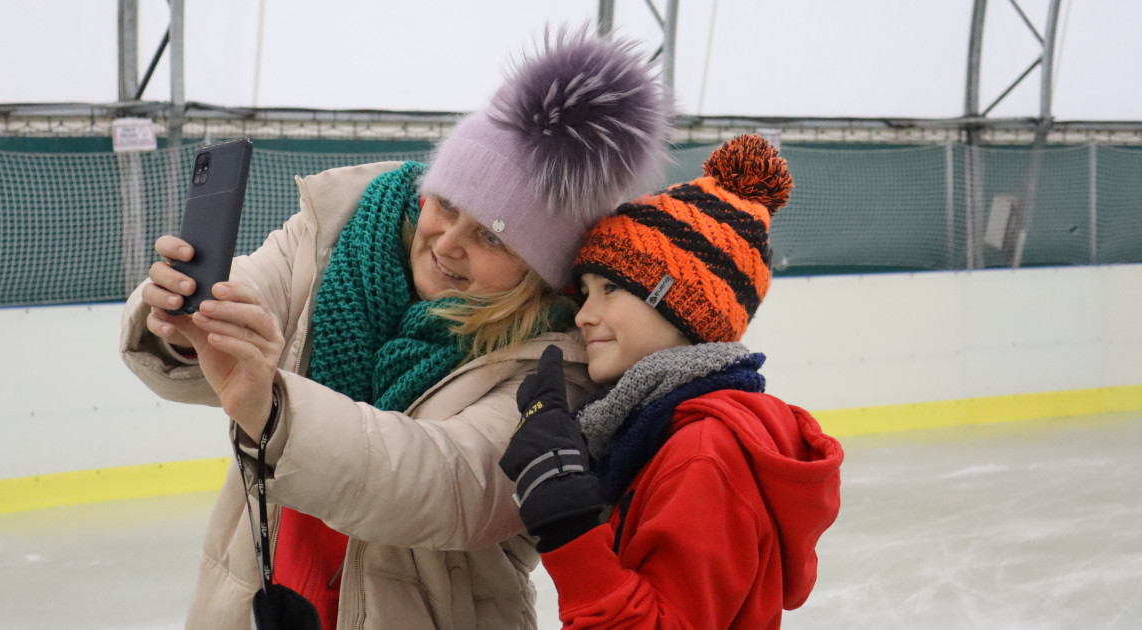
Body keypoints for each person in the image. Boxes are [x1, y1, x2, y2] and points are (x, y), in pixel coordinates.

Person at [118, 28, 671, 630]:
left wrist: (274, 411)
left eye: (492, 236)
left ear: (539, 271)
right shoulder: (333, 237)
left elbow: (445, 485)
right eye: (448, 205)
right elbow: (246, 294)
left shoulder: (558, 361)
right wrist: (180, 322)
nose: (449, 243)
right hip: (270, 586)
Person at [499, 134, 845, 629]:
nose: (585, 316)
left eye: (611, 288)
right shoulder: (657, 431)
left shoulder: (703, 452)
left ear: (676, 300)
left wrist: (567, 524)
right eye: (586, 293)